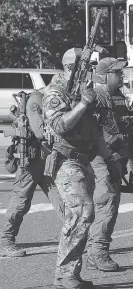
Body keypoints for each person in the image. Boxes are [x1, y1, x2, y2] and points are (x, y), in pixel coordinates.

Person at [42, 47, 109, 289]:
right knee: (82, 213)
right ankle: (63, 275)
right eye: (86, 67)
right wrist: (82, 103)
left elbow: (96, 127)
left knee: (82, 217)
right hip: (65, 161)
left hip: (84, 161)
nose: (90, 72)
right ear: (71, 68)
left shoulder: (83, 89)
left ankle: (70, 273)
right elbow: (59, 125)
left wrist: (108, 157)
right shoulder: (55, 91)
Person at [0, 87, 65, 257]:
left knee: (61, 197)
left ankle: (74, 236)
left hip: (46, 159)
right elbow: (39, 131)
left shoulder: (47, 99)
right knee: (21, 201)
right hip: (32, 160)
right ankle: (6, 241)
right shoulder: (36, 100)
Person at [84, 57, 129, 272]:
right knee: (106, 202)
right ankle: (98, 253)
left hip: (118, 157)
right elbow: (93, 131)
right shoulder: (96, 98)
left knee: (111, 203)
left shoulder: (118, 96)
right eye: (117, 73)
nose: (121, 76)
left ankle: (95, 251)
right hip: (100, 157)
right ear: (104, 76)